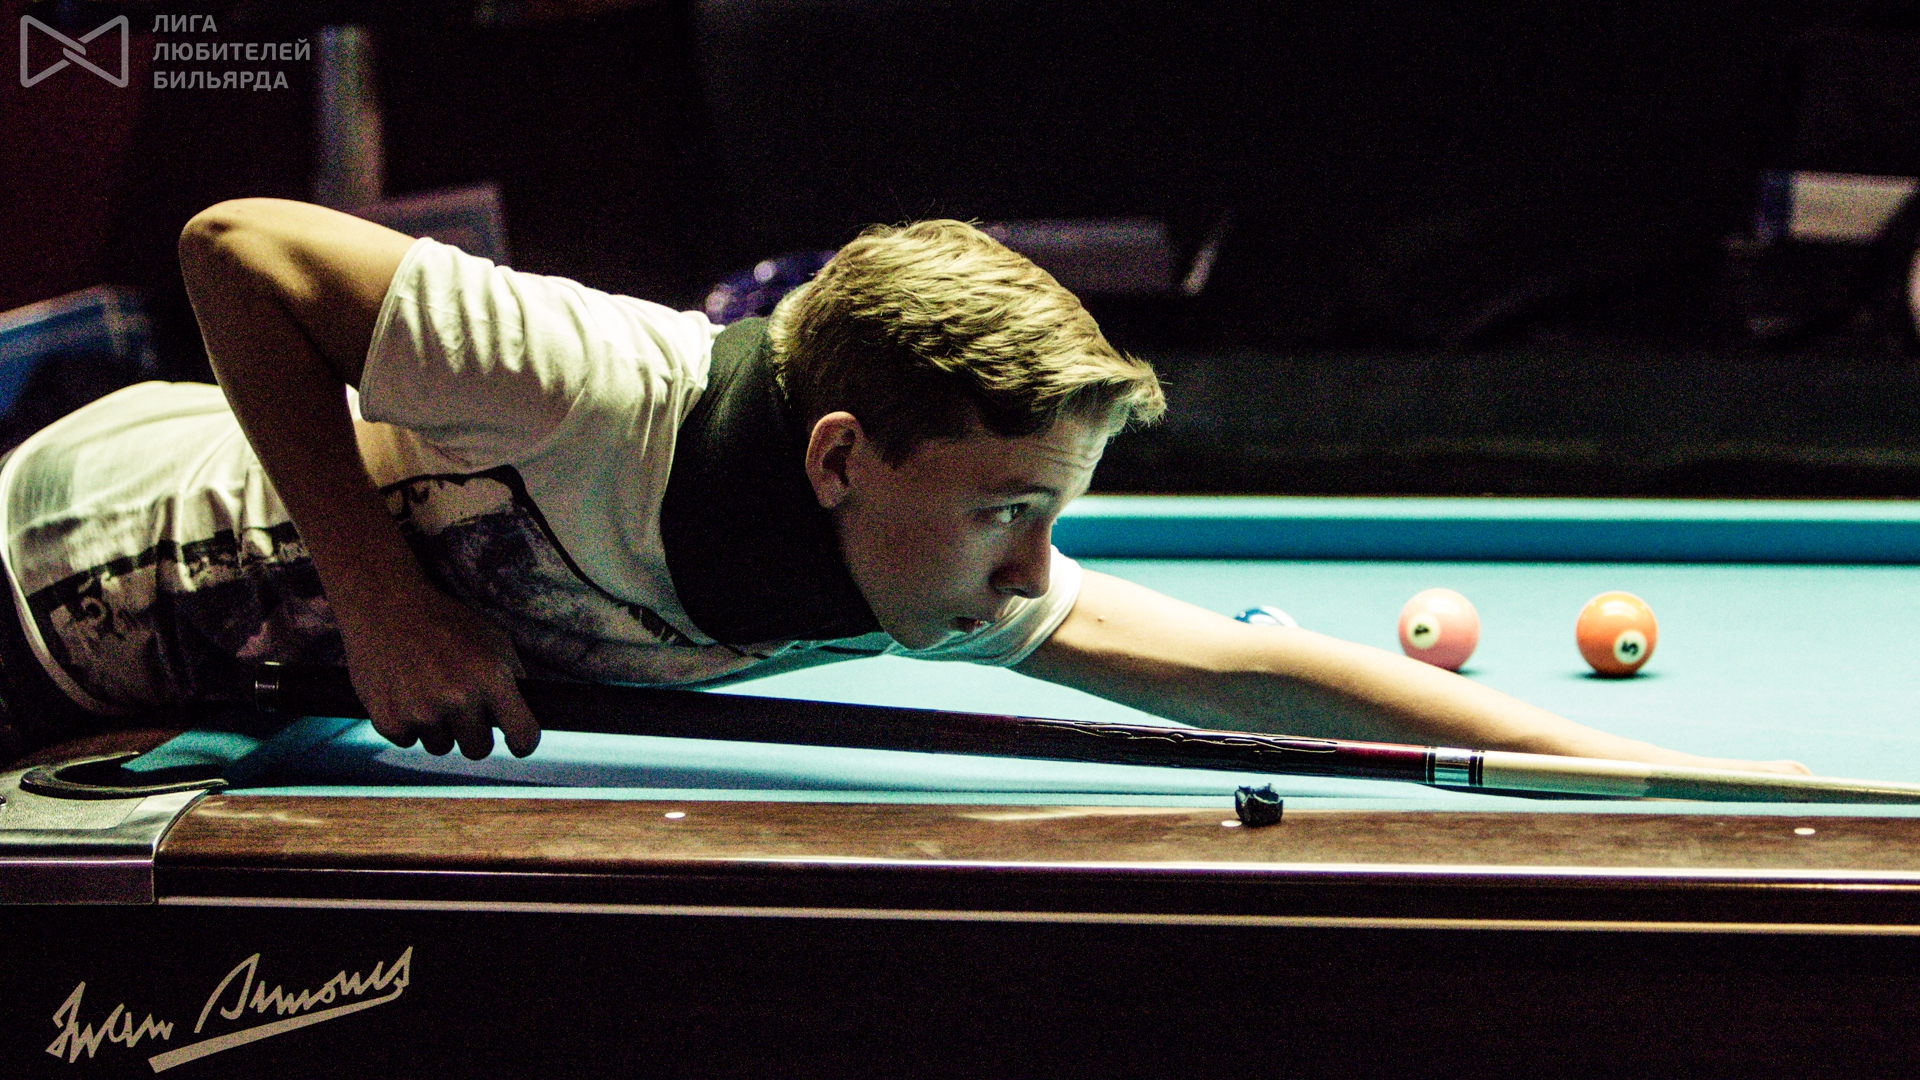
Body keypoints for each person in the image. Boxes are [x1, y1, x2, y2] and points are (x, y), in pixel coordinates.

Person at [0, 199, 1800, 776]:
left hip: (180, 700)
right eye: (1010, 505)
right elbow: (235, 248)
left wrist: (1627, 774)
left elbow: (1251, 671)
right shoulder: (590, 380)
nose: (1038, 560)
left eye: (1053, 509)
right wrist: (384, 602)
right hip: (45, 551)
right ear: (841, 459)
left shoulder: (924, 560)